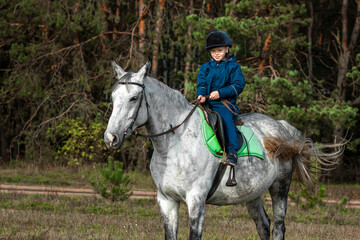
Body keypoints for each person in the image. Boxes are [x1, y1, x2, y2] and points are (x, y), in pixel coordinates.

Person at [196, 30, 245, 166]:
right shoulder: (205, 67)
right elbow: (202, 84)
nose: (216, 53)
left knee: (225, 119)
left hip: (224, 104)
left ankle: (232, 152)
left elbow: (238, 85)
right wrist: (201, 94)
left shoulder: (233, 67)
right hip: (207, 103)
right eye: (213, 51)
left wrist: (220, 93)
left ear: (227, 49)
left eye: (219, 50)